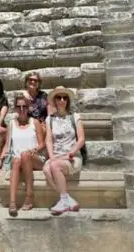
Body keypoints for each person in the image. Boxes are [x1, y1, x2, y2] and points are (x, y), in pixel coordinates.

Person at [0, 94, 46, 216]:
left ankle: (29, 195)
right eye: (19, 107)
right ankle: (12, 202)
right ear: (15, 109)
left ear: (29, 107)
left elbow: (42, 144)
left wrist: (34, 150)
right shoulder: (11, 124)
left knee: (24, 155)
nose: (22, 109)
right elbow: (7, 145)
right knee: (17, 160)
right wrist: (0, 159)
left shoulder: (35, 122)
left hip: (35, 158)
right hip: (18, 159)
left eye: (25, 106)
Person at [43, 86, 86, 216]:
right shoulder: (49, 119)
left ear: (67, 101)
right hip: (56, 155)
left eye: (64, 98)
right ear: (55, 100)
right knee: (46, 169)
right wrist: (51, 157)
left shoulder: (75, 117)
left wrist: (71, 153)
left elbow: (81, 139)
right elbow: (48, 141)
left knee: (54, 166)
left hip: (72, 156)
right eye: (58, 97)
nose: (62, 100)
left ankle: (63, 200)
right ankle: (67, 199)